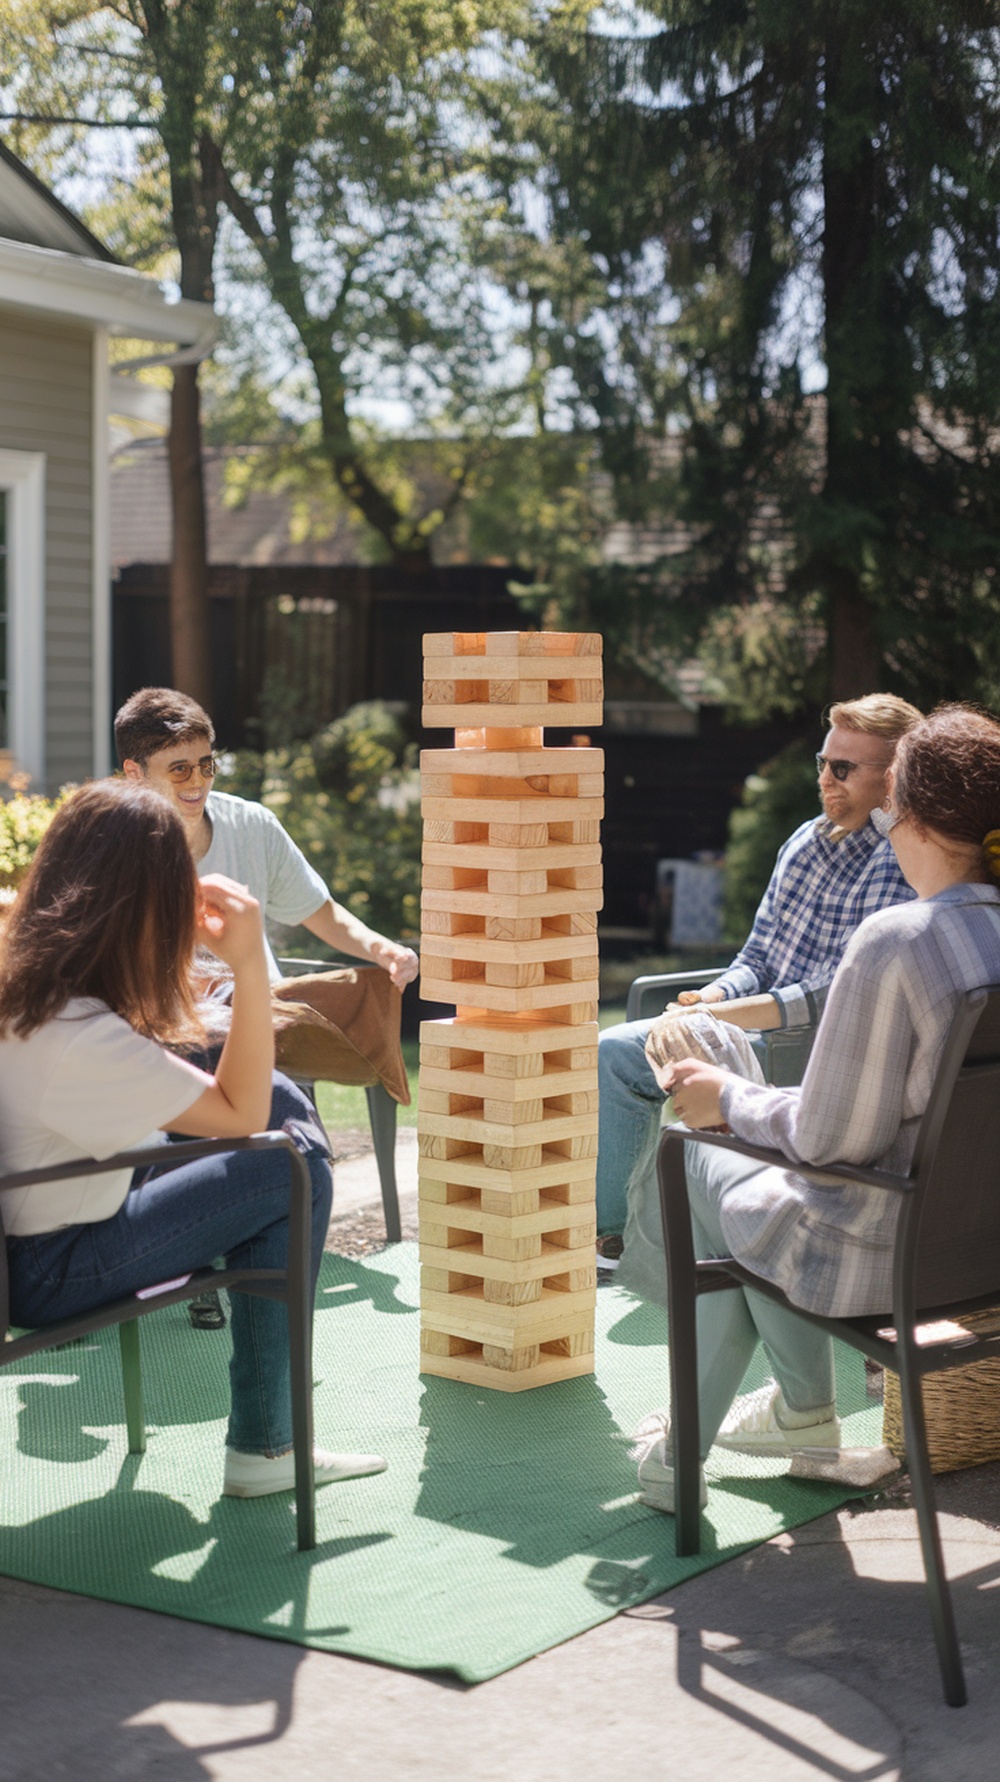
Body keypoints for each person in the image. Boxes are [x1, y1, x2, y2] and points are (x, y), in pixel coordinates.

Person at [632, 703, 1000, 1513]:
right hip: (980, 1249)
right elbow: (889, 1111)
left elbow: (832, 1140)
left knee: (692, 1150)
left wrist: (724, 1096)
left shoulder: (897, 941)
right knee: (728, 1153)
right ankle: (797, 1414)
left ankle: (690, 1448)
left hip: (870, 1249)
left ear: (913, 818)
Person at [0, 779, 388, 1498]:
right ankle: (267, 1447)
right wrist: (246, 961)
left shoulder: (30, 976)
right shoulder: (78, 1037)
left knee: (276, 1103)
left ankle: (267, 1436)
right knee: (290, 1165)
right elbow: (238, 1117)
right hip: (54, 1266)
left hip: (45, 1209)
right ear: (140, 904)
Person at [596, 693, 922, 1239]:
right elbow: (759, 957)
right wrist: (715, 997)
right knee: (620, 1050)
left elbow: (839, 993)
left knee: (624, 1057)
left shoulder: (903, 857)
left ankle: (622, 1238)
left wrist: (724, 1021)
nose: (826, 779)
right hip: (758, 1031)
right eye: (823, 763)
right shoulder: (804, 842)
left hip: (821, 1052)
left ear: (892, 777)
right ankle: (621, 1235)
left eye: (843, 768)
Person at [114, 686, 419, 990]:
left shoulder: (252, 826)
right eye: (179, 769)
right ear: (134, 772)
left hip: (268, 1018)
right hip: (174, 1028)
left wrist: (384, 950)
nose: (198, 782)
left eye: (207, 765)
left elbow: (320, 913)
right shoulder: (110, 851)